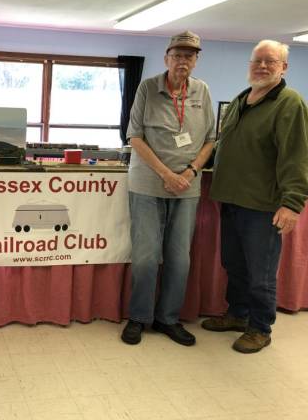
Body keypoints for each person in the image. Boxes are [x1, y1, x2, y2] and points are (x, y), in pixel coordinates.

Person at [202, 40, 308, 353]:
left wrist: (292, 203)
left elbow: (297, 157)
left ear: (284, 67)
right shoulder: (241, 98)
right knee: (234, 264)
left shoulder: (290, 104)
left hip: (262, 205)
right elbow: (227, 144)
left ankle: (260, 328)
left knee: (261, 273)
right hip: (232, 199)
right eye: (257, 60)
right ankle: (237, 314)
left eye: (270, 61)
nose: (262, 66)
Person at [121, 31, 215, 346]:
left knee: (179, 258)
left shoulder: (203, 91)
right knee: (146, 256)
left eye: (189, 56)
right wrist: (165, 172)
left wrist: (188, 171)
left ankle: (168, 319)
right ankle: (139, 317)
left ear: (197, 60)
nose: (183, 61)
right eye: (177, 55)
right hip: (148, 183)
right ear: (166, 58)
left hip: (187, 186)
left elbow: (211, 140)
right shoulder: (147, 88)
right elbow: (134, 136)